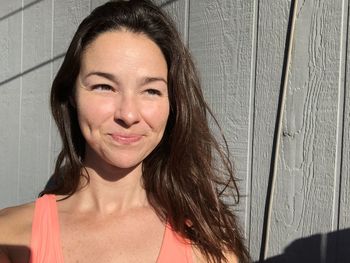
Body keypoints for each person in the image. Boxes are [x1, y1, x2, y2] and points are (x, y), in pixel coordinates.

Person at [0, 0, 250, 262]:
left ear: (173, 104)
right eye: (104, 87)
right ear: (71, 94)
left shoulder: (209, 243)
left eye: (151, 90)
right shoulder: (11, 238)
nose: (128, 115)